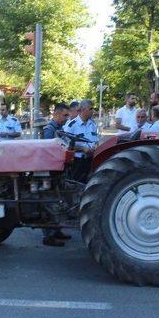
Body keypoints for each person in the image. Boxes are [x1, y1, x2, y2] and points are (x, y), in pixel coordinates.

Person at [41, 102, 71, 247]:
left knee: (57, 200)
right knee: (48, 202)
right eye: (65, 115)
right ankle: (48, 236)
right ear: (56, 114)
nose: (67, 118)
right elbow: (48, 151)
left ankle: (56, 230)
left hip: (58, 170)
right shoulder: (49, 129)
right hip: (49, 171)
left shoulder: (59, 129)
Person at [65, 99, 99, 183]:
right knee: (76, 185)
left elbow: (96, 139)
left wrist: (96, 146)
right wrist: (83, 149)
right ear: (83, 110)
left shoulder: (93, 124)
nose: (93, 111)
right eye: (90, 109)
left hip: (91, 159)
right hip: (77, 162)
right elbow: (66, 145)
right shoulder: (71, 125)